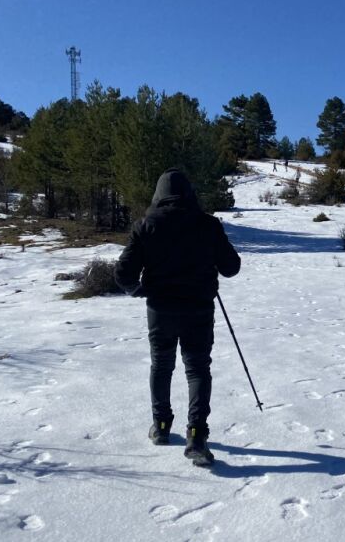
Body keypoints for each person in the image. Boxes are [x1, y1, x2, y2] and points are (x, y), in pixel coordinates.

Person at [115, 168, 241, 467]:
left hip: (161, 310)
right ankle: (196, 435)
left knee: (162, 365)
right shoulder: (208, 225)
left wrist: (138, 290)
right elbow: (231, 267)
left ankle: (160, 427)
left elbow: (123, 274)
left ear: (158, 193)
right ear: (190, 193)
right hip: (199, 308)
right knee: (197, 369)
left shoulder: (146, 225)